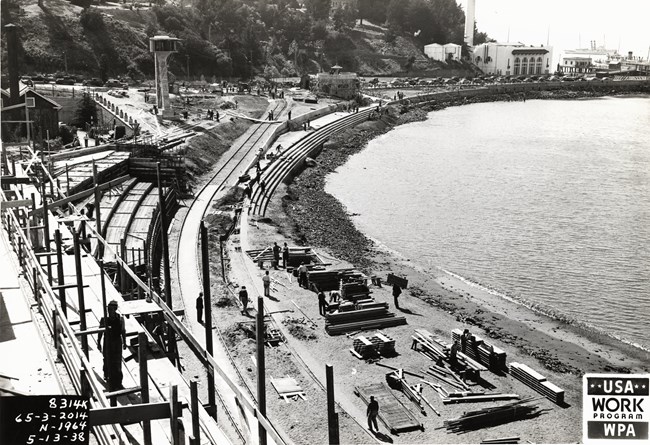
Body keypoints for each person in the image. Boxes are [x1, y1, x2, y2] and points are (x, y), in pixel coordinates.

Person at [98, 300, 127, 393]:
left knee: (117, 362)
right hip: (108, 342)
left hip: (117, 342)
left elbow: (123, 330)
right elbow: (100, 332)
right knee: (107, 359)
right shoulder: (104, 319)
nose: (110, 310)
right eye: (109, 308)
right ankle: (107, 375)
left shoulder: (120, 318)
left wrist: (124, 342)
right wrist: (98, 342)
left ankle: (118, 382)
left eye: (112, 308)